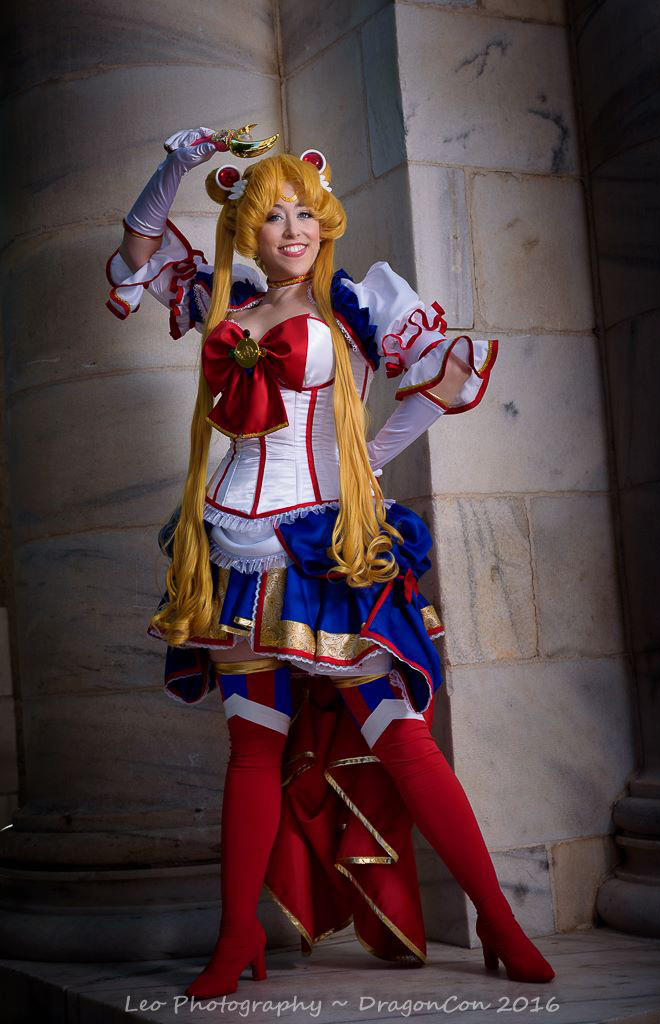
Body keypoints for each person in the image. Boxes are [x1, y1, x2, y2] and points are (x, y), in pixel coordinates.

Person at [105, 126, 555, 998]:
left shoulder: (359, 305)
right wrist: (177, 162)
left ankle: (500, 921)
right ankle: (237, 936)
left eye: (305, 213)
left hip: (324, 550)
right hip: (233, 550)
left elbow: (445, 379)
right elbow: (136, 252)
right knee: (252, 748)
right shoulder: (223, 299)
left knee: (403, 740)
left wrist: (368, 464)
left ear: (325, 220)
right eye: (274, 216)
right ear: (248, 229)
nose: (293, 229)